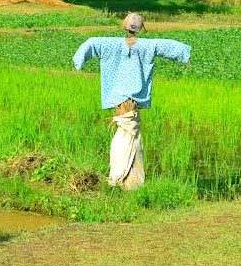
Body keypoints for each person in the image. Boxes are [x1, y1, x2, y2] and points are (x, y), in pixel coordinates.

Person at [73, 13, 191, 190]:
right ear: (141, 28)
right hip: (131, 104)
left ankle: (126, 180)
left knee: (126, 135)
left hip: (121, 102)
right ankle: (122, 179)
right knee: (128, 135)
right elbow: (167, 46)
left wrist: (78, 62)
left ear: (124, 26)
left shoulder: (108, 44)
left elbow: (90, 43)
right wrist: (185, 56)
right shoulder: (147, 45)